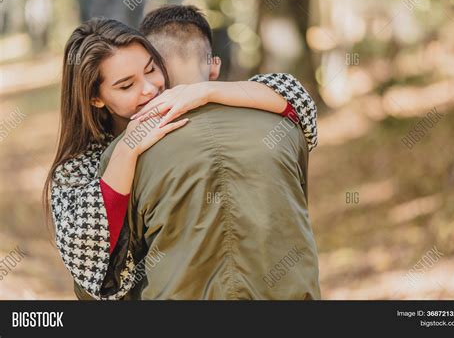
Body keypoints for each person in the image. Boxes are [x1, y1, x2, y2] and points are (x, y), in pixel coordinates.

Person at [44, 16, 317, 300]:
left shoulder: (192, 108)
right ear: (95, 98)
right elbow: (89, 270)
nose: (149, 88)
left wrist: (205, 90)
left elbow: (299, 102)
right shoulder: (77, 168)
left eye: (151, 69)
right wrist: (126, 151)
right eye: (126, 86)